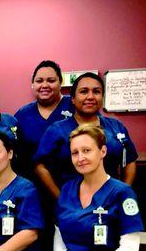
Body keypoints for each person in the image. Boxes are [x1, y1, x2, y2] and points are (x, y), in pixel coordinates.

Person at [21, 125, 143, 251]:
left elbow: (129, 250)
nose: (80, 158)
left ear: (102, 151)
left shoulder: (122, 193)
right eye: (75, 153)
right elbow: (59, 232)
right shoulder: (68, 189)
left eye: (87, 150)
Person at [34, 72, 138, 200]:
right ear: (73, 98)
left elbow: (130, 160)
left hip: (111, 200)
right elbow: (40, 166)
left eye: (96, 92)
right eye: (84, 92)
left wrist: (124, 193)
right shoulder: (57, 130)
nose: (90, 97)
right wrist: (60, 199)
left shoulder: (116, 127)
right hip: (73, 203)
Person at [14, 60, 73, 178]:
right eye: (39, 81)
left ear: (61, 82)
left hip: (72, 183)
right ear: (33, 84)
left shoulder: (74, 106)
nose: (44, 85)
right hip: (33, 184)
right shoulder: (22, 115)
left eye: (51, 81)